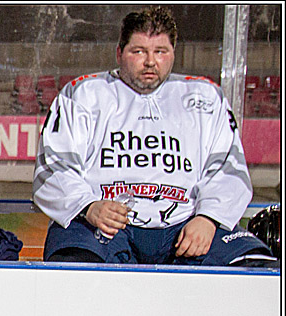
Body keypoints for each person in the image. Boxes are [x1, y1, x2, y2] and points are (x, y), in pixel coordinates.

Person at [33, 6, 275, 267]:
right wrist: (89, 207)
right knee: (71, 269)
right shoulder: (82, 94)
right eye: (139, 51)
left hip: (186, 221)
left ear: (173, 53)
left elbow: (229, 169)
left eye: (160, 51)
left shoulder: (205, 97)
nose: (150, 61)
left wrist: (209, 218)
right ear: (119, 52)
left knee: (258, 267)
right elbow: (53, 167)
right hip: (105, 221)